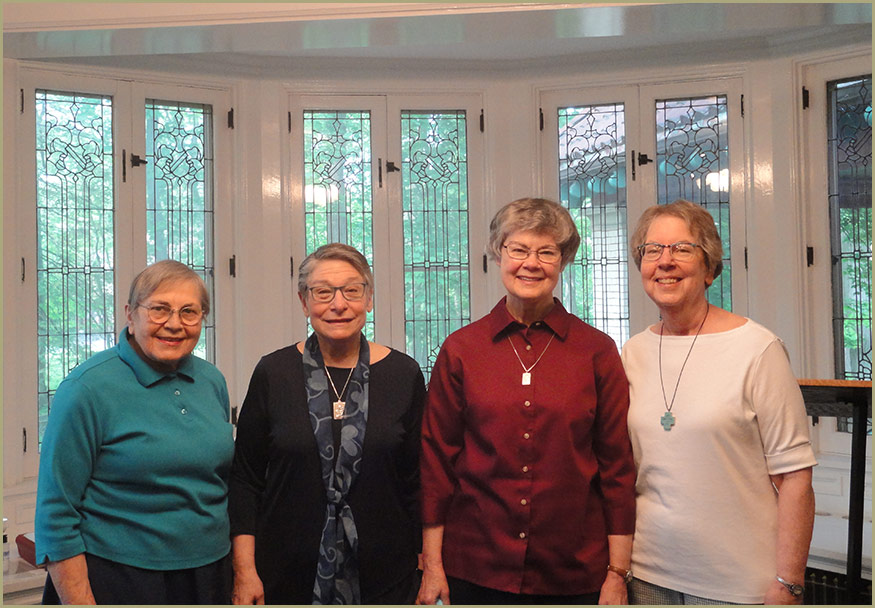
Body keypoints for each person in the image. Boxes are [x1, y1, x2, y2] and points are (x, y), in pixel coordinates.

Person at [418, 197, 636, 605]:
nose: (530, 263)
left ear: (563, 261)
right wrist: (432, 564)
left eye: (546, 252)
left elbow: (617, 468)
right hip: (477, 567)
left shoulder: (597, 351)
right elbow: (437, 463)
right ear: (498, 254)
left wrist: (617, 574)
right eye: (517, 249)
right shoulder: (462, 349)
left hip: (575, 571)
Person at [621, 199, 816, 605]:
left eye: (682, 249)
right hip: (646, 576)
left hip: (738, 585)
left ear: (709, 267)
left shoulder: (757, 349)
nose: (665, 261)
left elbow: (795, 477)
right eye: (652, 250)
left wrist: (789, 581)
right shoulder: (632, 353)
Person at [229, 243, 426, 605]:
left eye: (352, 290)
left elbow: (417, 481)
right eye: (323, 292)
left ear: (369, 299)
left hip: (386, 576)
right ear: (304, 302)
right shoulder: (273, 373)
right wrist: (244, 571)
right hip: (285, 575)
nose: (338, 304)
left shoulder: (404, 374)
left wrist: (427, 565)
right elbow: (246, 479)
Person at [34, 259, 234, 605]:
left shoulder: (211, 380)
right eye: (159, 309)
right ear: (130, 313)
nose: (174, 324)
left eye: (189, 312)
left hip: (209, 573)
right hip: (117, 578)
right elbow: (56, 512)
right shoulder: (86, 388)